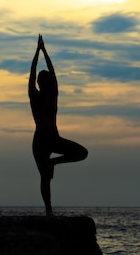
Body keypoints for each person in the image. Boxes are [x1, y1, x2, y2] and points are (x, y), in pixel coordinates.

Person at [29, 34, 88, 216]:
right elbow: (34, 74)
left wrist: (41, 51)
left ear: (44, 83)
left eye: (42, 81)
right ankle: (48, 210)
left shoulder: (48, 94)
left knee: (81, 153)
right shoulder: (38, 95)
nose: (40, 83)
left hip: (49, 137)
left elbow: (46, 73)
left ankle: (53, 162)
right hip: (42, 139)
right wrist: (41, 51)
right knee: (44, 176)